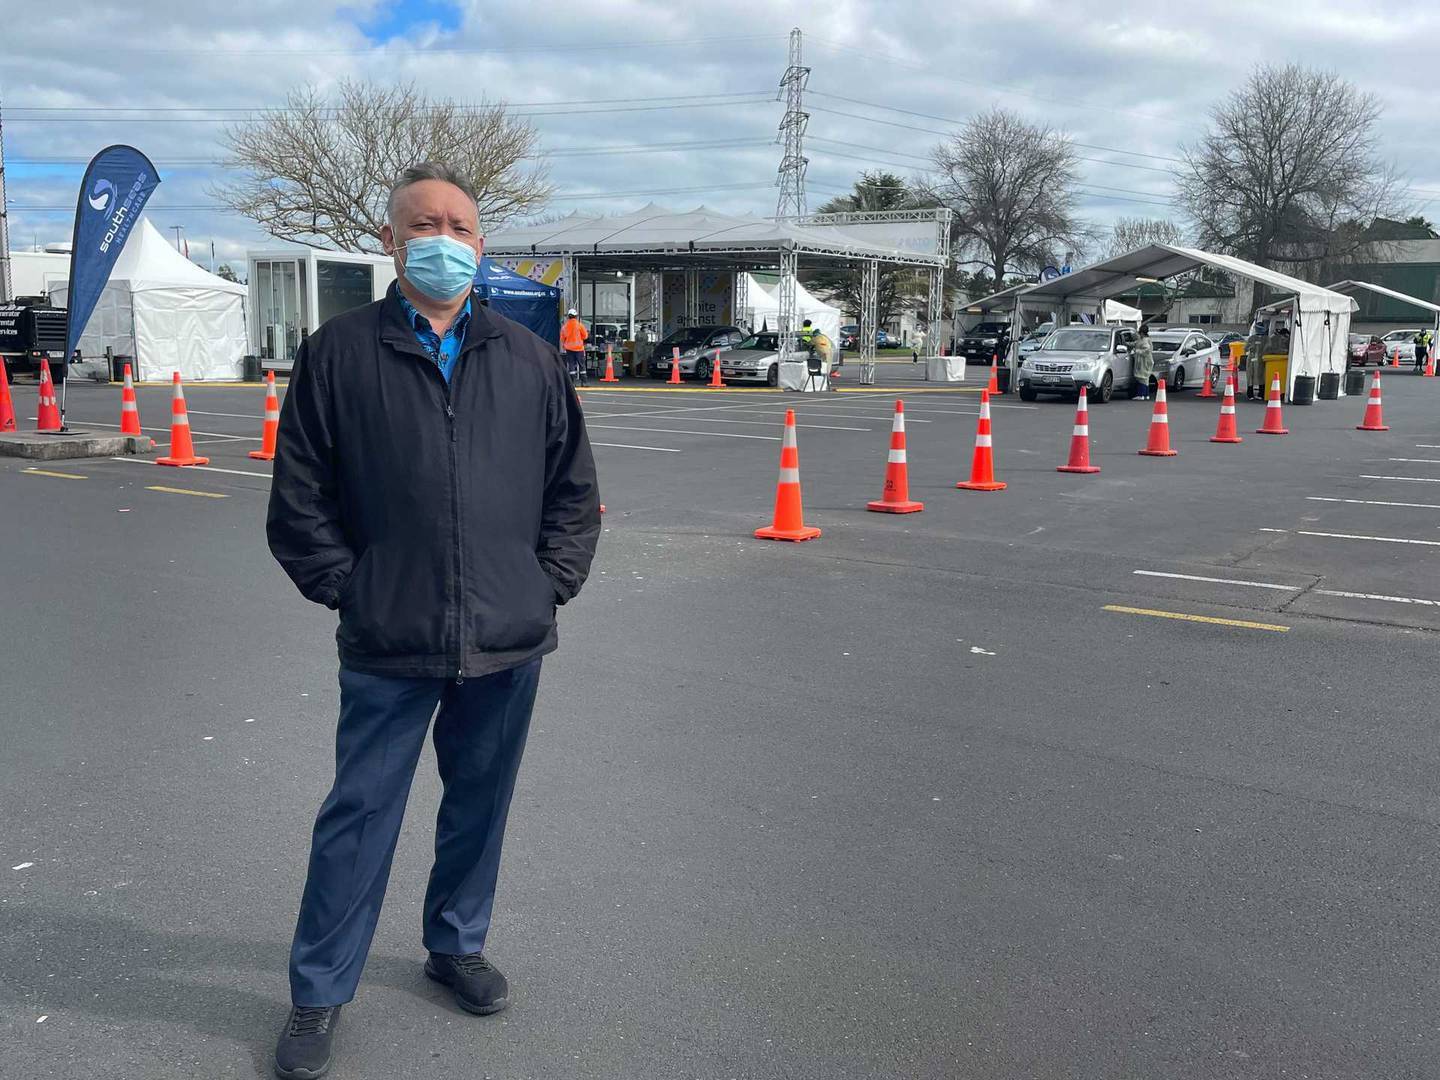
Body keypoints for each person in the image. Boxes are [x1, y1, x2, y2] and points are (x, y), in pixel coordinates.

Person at [265, 162, 601, 1080]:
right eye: (424, 225)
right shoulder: (339, 354)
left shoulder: (528, 358)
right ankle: (319, 991)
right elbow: (298, 500)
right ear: (390, 240)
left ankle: (456, 943)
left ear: (480, 244)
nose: (443, 240)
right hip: (390, 636)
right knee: (359, 815)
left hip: (507, 636)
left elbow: (573, 491)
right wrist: (355, 588)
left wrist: (546, 585)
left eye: (459, 226)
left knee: (479, 804)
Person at [560, 308, 589, 385]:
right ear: (576, 316)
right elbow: (585, 336)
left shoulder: (564, 327)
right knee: (582, 365)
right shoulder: (579, 325)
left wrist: (564, 345)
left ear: (568, 317)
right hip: (579, 349)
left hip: (569, 349)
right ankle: (584, 382)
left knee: (571, 365)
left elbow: (562, 339)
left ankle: (572, 383)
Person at [1131, 323, 1154, 400]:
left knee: (1142, 377)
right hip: (1145, 361)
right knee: (1145, 378)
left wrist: (1137, 351)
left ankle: (1141, 395)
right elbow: (1136, 343)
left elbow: (1146, 350)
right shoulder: (1145, 339)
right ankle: (1146, 394)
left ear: (1142, 333)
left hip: (1144, 361)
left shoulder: (1145, 341)